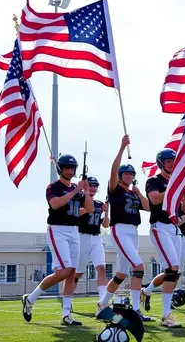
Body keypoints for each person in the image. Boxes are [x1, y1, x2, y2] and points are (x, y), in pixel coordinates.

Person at [21, 154, 93, 325]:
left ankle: (66, 314)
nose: (70, 170)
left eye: (72, 167)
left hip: (74, 230)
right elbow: (55, 204)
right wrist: (76, 191)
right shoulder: (53, 187)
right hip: (58, 230)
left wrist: (87, 192)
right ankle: (31, 298)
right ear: (60, 168)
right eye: (67, 167)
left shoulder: (77, 188)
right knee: (63, 271)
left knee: (72, 273)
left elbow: (89, 209)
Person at [96, 136, 150, 321]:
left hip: (133, 231)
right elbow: (112, 171)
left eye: (131, 174)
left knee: (120, 274)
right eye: (126, 173)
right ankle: (136, 310)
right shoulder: (115, 189)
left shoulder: (132, 192)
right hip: (120, 229)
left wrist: (139, 192)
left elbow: (149, 207)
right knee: (139, 266)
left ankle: (102, 303)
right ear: (120, 176)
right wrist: (121, 148)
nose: (130, 176)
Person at [140, 147, 185, 328]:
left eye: (173, 161)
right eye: (168, 161)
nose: (172, 164)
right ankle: (166, 315)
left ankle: (148, 291)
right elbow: (154, 200)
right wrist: (174, 189)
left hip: (175, 227)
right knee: (173, 268)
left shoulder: (177, 181)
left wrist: (181, 193)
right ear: (161, 163)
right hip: (160, 226)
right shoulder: (154, 180)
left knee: (174, 272)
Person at [73, 176, 109, 302]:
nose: (93, 188)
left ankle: (103, 301)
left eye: (95, 186)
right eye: (91, 185)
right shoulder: (79, 200)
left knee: (101, 268)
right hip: (82, 237)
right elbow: (74, 215)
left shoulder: (99, 203)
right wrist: (88, 206)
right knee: (77, 273)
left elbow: (105, 225)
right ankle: (68, 298)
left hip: (96, 238)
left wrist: (107, 212)